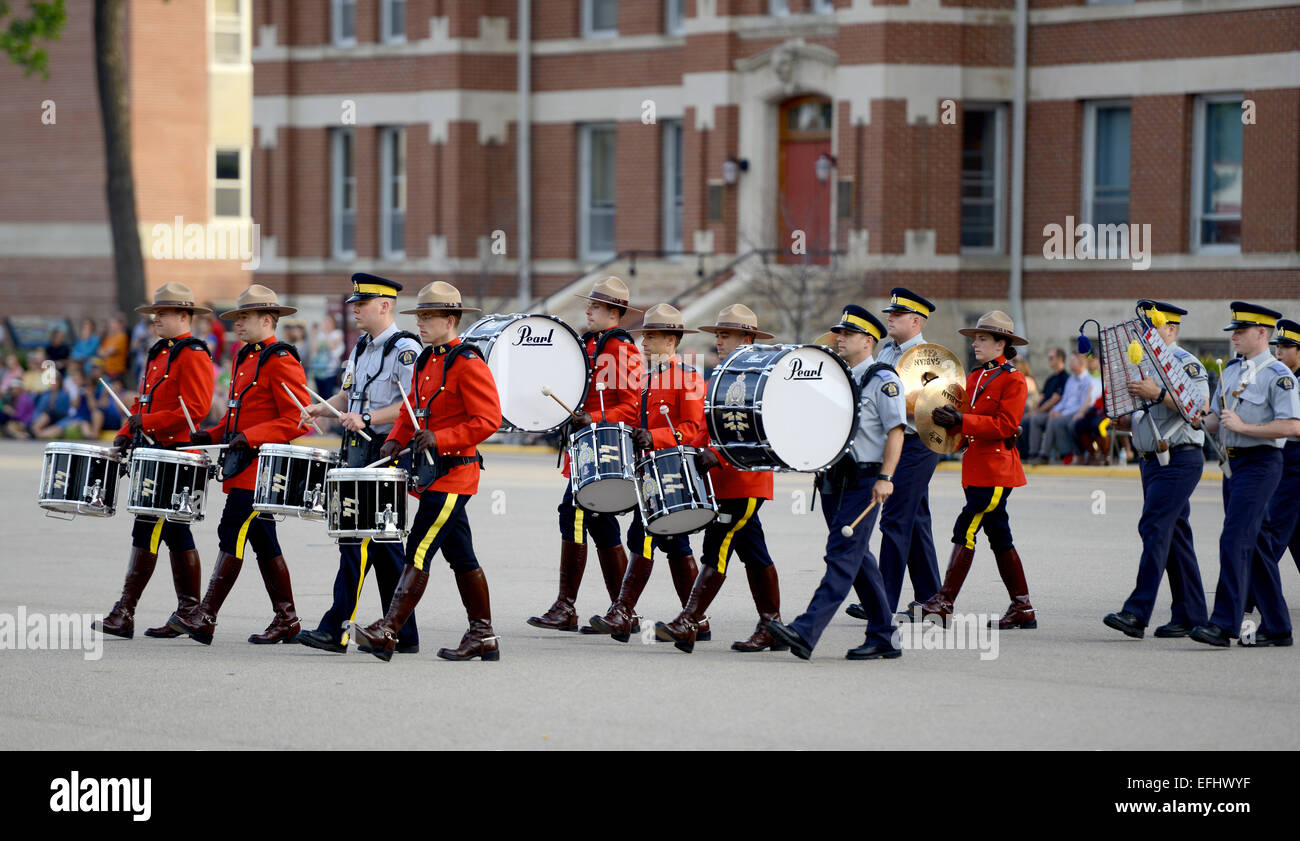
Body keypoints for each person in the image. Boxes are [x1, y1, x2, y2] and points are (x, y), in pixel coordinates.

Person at [356, 281, 503, 661]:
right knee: (462, 557)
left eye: (429, 316)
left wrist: (441, 438)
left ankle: (388, 629)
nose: (420, 322)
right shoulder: (424, 360)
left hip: (455, 474)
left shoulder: (466, 362)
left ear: (450, 319)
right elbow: (411, 409)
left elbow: (488, 420)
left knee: (418, 549)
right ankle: (483, 637)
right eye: (419, 316)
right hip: (431, 474)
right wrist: (395, 439)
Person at [167, 285, 312, 646]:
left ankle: (206, 615)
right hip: (242, 466)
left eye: (245, 318)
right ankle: (287, 618)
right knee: (263, 540)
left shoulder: (281, 360)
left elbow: (301, 419)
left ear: (267, 320)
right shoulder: (245, 357)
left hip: (261, 468)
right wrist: (209, 434)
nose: (238, 324)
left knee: (232, 530)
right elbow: (237, 418)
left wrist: (253, 436)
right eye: (237, 318)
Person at [766, 306, 905, 661]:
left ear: (868, 341)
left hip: (865, 479)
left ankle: (805, 630)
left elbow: (896, 431)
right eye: (838, 333)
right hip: (833, 479)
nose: (839, 338)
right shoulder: (835, 377)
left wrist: (887, 477)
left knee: (841, 556)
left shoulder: (883, 380)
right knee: (858, 560)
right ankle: (884, 635)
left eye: (848, 334)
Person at [295, 274, 422, 655]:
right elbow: (351, 394)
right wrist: (326, 407)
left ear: (384, 305)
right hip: (356, 452)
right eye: (353, 303)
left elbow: (412, 405)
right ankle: (404, 632)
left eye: (361, 304)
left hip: (384, 451)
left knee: (355, 541)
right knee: (383, 545)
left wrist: (368, 419)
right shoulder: (362, 347)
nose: (354, 310)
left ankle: (336, 628)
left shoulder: (406, 349)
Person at [655, 303, 787, 654]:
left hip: (744, 480)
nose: (719, 341)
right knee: (754, 552)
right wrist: (691, 454)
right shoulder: (721, 373)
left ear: (747, 337)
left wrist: (719, 457)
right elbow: (704, 427)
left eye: (725, 334)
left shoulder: (762, 377)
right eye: (717, 334)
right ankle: (771, 625)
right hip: (722, 480)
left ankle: (689, 621)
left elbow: (761, 431)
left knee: (718, 546)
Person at [93, 284, 215, 639]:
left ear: (183, 316)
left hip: (174, 455)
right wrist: (125, 432)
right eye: (154, 314)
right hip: (155, 452)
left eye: (162, 313)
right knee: (176, 532)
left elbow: (195, 409)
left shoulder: (192, 353)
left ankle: (126, 612)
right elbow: (143, 401)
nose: (155, 319)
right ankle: (189, 612)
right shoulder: (159, 351)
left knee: (148, 529)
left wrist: (146, 423)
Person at [528, 276, 645, 633]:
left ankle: (567, 607)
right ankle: (623, 612)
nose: (587, 310)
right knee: (599, 521)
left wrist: (593, 417)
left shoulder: (621, 349)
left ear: (614, 312)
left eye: (594, 306)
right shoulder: (590, 344)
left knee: (575, 514)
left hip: (604, 448)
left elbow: (631, 406)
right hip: (585, 449)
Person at [585, 304, 707, 642]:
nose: (645, 342)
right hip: (648, 471)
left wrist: (656, 437)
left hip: (672, 470)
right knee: (673, 542)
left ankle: (623, 611)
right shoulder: (645, 380)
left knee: (646, 536)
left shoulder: (688, 377)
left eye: (652, 336)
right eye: (645, 335)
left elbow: (693, 429)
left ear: (671, 339)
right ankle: (698, 619)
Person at [1190, 303, 1300, 648]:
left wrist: (1245, 427)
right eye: (1234, 331)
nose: (1234, 336)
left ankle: (1223, 623)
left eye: (1241, 331)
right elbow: (1216, 418)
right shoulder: (1231, 370)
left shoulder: (1277, 375)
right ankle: (1279, 626)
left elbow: (1292, 426)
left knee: (1234, 539)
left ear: (1262, 334)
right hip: (1232, 464)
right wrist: (1200, 418)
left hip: (1262, 464)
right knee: (1258, 544)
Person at [922, 310, 1036, 630]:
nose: (976, 344)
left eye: (983, 339)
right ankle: (1023, 608)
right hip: (976, 468)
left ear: (1001, 344)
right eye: (975, 339)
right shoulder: (975, 377)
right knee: (1000, 537)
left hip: (996, 470)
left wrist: (962, 421)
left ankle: (944, 602)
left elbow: (1005, 425)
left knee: (966, 528)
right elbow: (966, 419)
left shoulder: (1013, 378)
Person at [1103, 301, 1209, 639]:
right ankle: (1190, 614)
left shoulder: (1184, 364)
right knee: (1175, 535)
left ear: (1171, 329)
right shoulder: (1141, 364)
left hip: (1179, 458)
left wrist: (1158, 393)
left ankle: (1137, 612)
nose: (1145, 335)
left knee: (1154, 527)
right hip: (1151, 460)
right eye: (1143, 328)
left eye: (1153, 328)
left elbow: (1199, 411)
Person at [844, 287, 941, 624]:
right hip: (893, 442)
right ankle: (933, 600)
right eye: (890, 313)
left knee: (895, 519)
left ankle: (881, 601)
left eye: (897, 315)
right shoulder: (886, 351)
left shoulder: (931, 358)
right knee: (915, 521)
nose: (890, 318)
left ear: (915, 321)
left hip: (916, 444)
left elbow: (936, 407)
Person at [1250, 319, 1300, 582]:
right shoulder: (1281, 378)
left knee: (1271, 530)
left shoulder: (1290, 382)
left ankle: (1248, 593)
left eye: (1287, 346)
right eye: (1277, 345)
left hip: (1295, 466)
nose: (1279, 351)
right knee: (1291, 532)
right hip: (1283, 462)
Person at [1030, 351, 1091, 465]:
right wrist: (1056, 409)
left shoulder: (1087, 380)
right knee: (1037, 418)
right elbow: (1064, 400)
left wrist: (1061, 414)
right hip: (1064, 412)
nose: (1070, 363)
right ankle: (1033, 453)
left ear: (1082, 363)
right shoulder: (1071, 379)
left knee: (1055, 421)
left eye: (1073, 360)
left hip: (1077, 413)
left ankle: (1048, 455)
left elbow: (1082, 405)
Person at [1022, 347, 1067, 459]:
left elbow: (1054, 400)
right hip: (1042, 412)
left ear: (1060, 359)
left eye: (1051, 358)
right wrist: (1032, 411)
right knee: (1023, 420)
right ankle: (1025, 454)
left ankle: (1036, 454)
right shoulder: (1050, 378)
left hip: (1054, 413)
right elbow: (1041, 397)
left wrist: (1037, 412)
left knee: (1035, 419)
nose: (1049, 360)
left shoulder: (1064, 377)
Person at [309, 314, 345, 397]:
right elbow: (314, 349)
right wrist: (314, 333)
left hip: (330, 369)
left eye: (328, 321)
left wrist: (325, 333)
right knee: (319, 395)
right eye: (325, 321)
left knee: (328, 395)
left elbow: (332, 346)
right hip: (318, 369)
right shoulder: (320, 334)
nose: (326, 323)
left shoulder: (337, 333)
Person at [98, 314, 129, 380]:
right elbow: (100, 352)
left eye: (114, 323)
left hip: (117, 371)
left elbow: (111, 351)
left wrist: (106, 351)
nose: (111, 325)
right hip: (107, 370)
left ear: (120, 324)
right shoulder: (110, 337)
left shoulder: (122, 337)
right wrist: (106, 351)